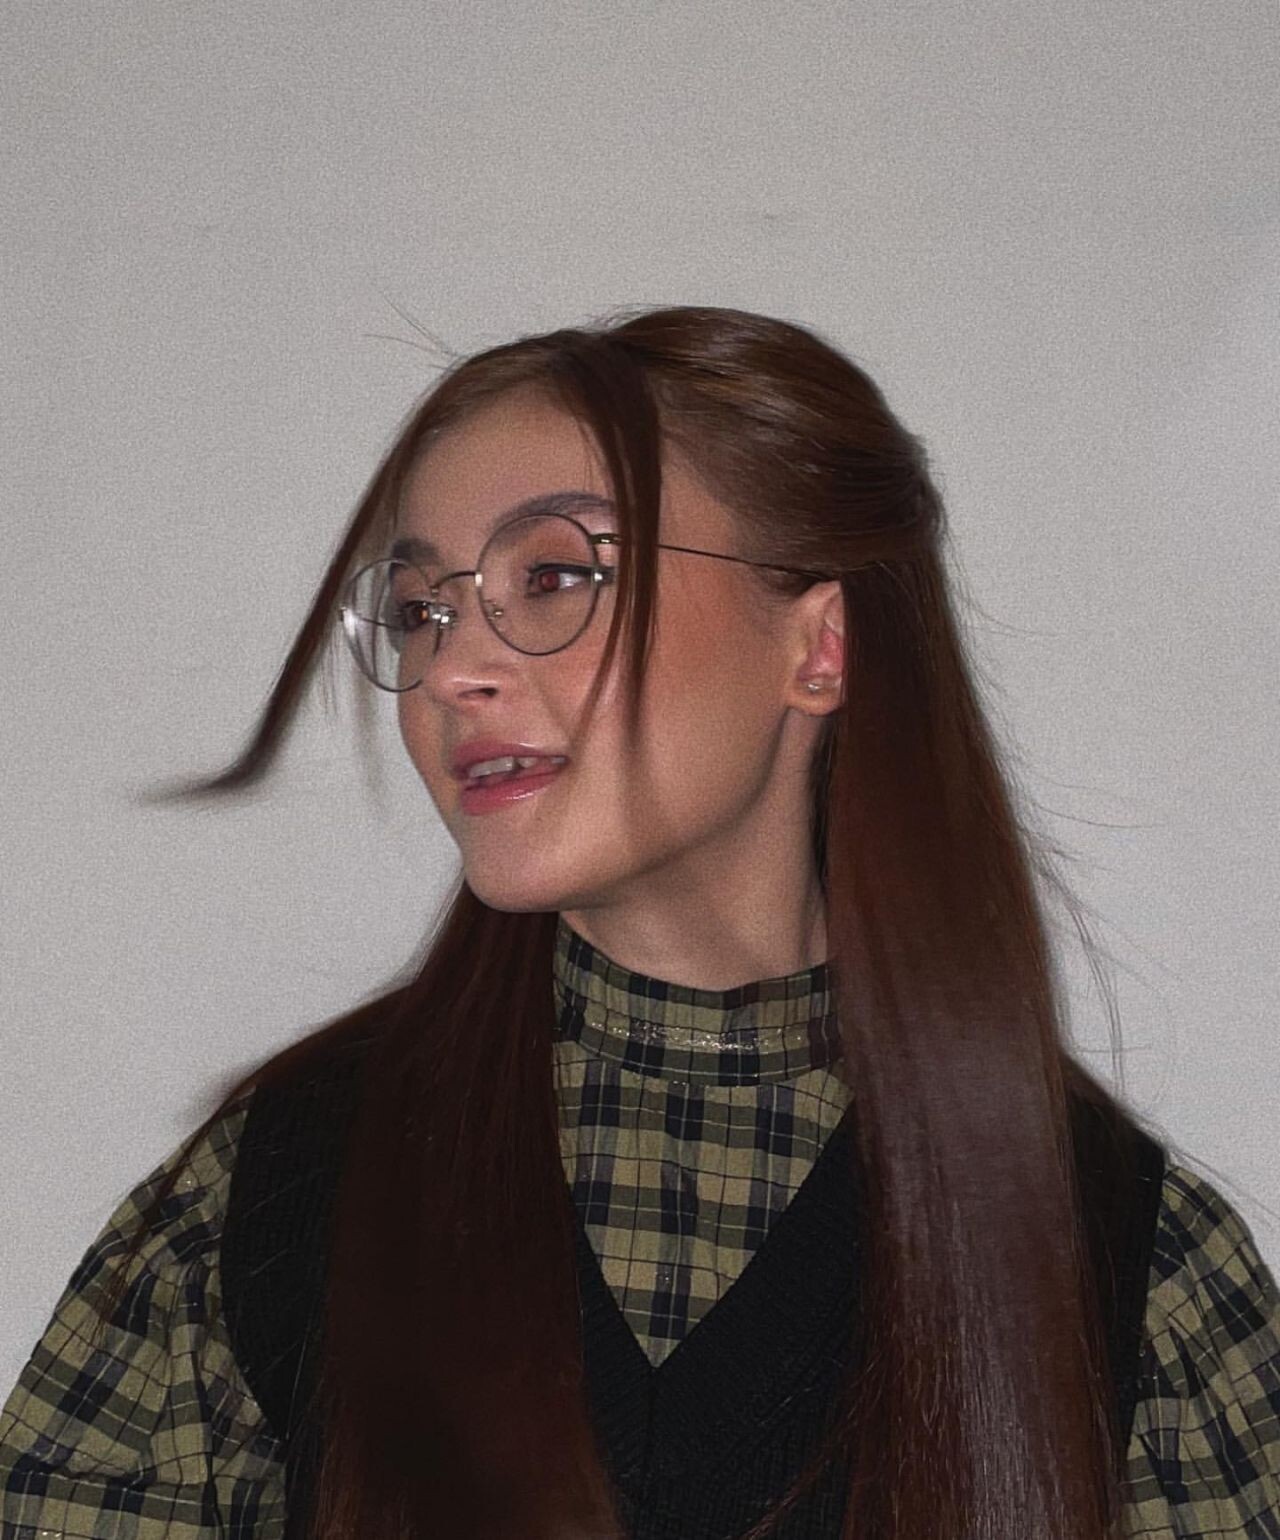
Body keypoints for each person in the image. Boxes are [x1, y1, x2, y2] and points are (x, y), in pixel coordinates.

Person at [1, 306, 1277, 1540]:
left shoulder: (1131, 1267)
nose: (451, 670)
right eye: (421, 608)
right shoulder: (268, 1200)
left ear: (818, 646)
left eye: (554, 575)